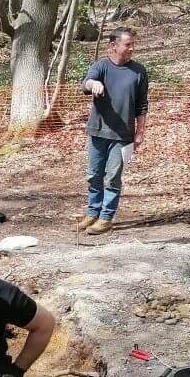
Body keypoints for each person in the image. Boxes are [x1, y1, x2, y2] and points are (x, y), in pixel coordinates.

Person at [79, 27, 148, 235]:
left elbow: (142, 104)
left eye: (132, 45)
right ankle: (93, 212)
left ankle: (106, 217)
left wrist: (140, 131)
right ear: (113, 46)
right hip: (97, 131)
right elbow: (86, 81)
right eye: (128, 45)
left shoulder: (139, 71)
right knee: (93, 175)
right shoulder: (101, 66)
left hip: (123, 135)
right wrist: (94, 84)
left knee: (112, 177)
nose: (131, 48)